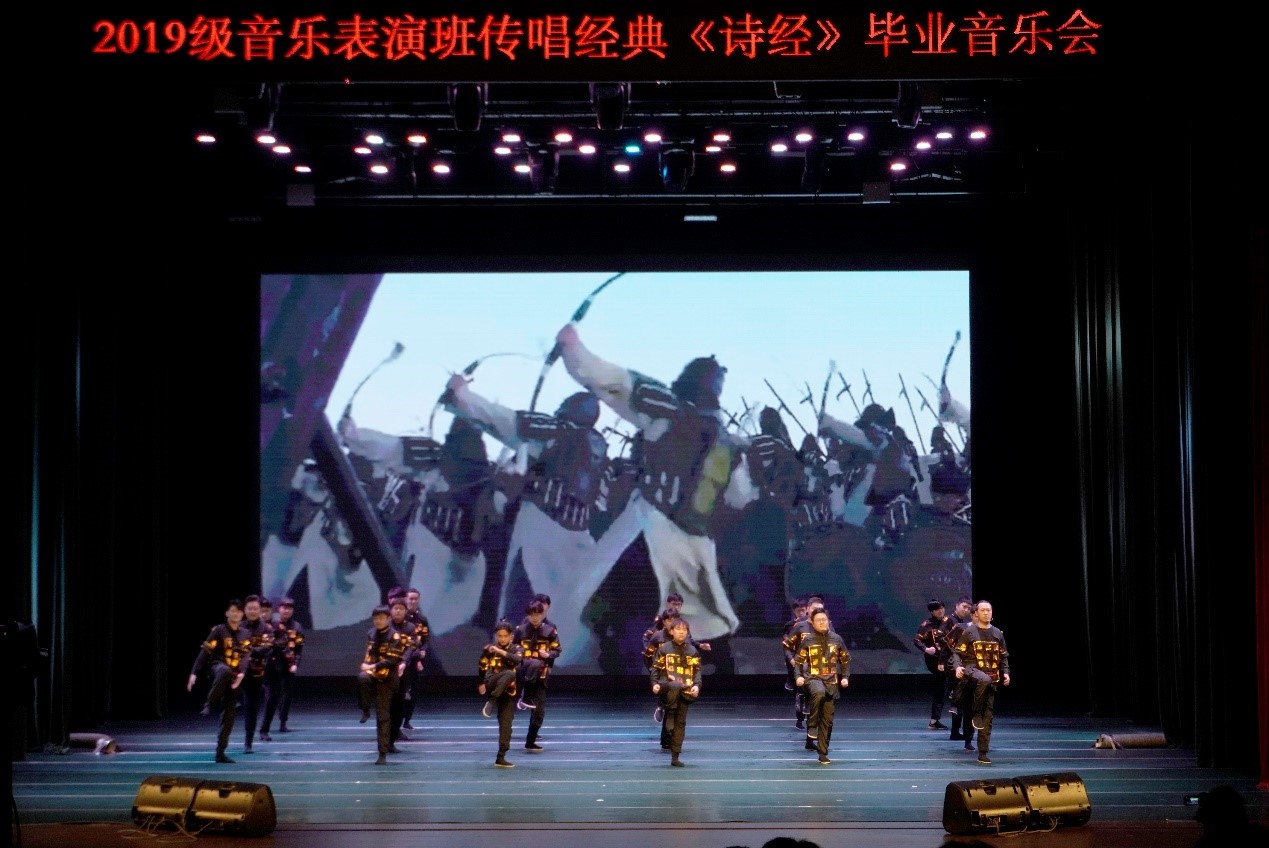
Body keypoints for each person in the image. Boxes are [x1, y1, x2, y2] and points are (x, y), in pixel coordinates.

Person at [556, 322, 757, 674]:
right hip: (694, 547)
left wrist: (572, 349)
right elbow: (741, 498)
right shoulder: (730, 444)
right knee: (700, 620)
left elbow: (615, 382)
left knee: (627, 613)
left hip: (649, 533)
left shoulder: (669, 409)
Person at [444, 374, 608, 667]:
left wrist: (462, 394)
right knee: (559, 607)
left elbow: (505, 421)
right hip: (580, 536)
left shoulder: (557, 430)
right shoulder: (599, 449)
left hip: (542, 529)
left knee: (523, 596)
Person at [187, 598, 250, 763]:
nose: (235, 614)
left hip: (234, 677)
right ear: (227, 613)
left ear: (242, 614)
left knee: (229, 716)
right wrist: (194, 673)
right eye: (232, 611)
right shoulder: (219, 630)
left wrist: (242, 674)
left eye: (238, 611)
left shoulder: (245, 634)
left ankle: (220, 751)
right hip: (217, 669)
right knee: (224, 670)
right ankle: (209, 703)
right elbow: (205, 651)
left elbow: (246, 656)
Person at [950, 600, 1010, 766]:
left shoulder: (997, 633)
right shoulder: (969, 632)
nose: (986, 613)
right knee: (983, 681)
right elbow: (957, 652)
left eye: (988, 610)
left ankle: (983, 752)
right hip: (972, 672)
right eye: (982, 610)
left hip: (991, 678)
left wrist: (1006, 673)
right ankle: (974, 717)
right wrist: (957, 667)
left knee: (987, 717)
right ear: (976, 613)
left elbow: (1003, 656)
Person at [794, 607, 850, 764]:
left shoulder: (836, 639)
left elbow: (845, 659)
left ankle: (823, 752)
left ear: (829, 621)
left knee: (827, 720)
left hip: (831, 682)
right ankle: (812, 726)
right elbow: (798, 661)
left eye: (824, 620)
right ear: (812, 623)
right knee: (818, 692)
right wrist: (798, 676)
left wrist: (845, 677)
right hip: (813, 678)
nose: (821, 623)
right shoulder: (808, 640)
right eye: (818, 620)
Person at [357, 604, 410, 765]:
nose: (378, 621)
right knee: (362, 678)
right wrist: (366, 664)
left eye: (381, 618)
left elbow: (392, 660)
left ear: (388, 619)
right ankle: (365, 709)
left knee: (383, 715)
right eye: (376, 618)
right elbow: (370, 653)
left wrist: (371, 666)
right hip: (374, 673)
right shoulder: (371, 633)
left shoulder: (395, 636)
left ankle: (383, 752)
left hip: (388, 678)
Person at [650, 617, 702, 767]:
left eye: (684, 630)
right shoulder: (664, 649)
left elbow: (697, 671)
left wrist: (697, 686)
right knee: (674, 685)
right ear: (671, 631)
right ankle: (670, 711)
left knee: (681, 722)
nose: (681, 632)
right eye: (678, 629)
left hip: (685, 689)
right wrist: (654, 683)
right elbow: (656, 668)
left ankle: (675, 756)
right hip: (667, 685)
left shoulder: (692, 651)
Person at [512, 600, 560, 752]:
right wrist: (519, 651)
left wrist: (548, 654)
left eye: (538, 614)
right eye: (532, 615)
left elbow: (557, 650)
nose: (535, 618)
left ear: (542, 614)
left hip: (540, 675)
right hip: (523, 669)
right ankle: (525, 696)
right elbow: (512, 646)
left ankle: (530, 741)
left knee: (539, 711)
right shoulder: (521, 630)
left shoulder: (550, 631)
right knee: (534, 662)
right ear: (528, 615)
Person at [477, 620, 524, 768]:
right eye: (499, 636)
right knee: (509, 673)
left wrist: (499, 651)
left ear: (511, 636)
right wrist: (481, 683)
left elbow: (517, 659)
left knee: (506, 725)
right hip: (492, 683)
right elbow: (482, 666)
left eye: (505, 636)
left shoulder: (517, 648)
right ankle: (491, 701)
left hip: (508, 691)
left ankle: (501, 757)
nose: (502, 639)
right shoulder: (489, 649)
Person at [262, 596, 304, 734]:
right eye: (284, 608)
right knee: (271, 695)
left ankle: (283, 721)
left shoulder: (297, 627)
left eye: (289, 608)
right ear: (279, 609)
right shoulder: (273, 624)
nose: (286, 611)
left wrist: (295, 663)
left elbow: (299, 649)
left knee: (287, 694)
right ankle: (265, 724)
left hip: (288, 664)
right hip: (273, 664)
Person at [238, 594, 275, 753]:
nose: (252, 611)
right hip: (237, 672)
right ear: (244, 610)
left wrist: (250, 650)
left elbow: (267, 647)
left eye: (255, 608)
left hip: (256, 674)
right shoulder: (239, 626)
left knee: (250, 708)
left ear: (260, 610)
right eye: (249, 608)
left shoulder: (266, 628)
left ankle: (248, 742)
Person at [942, 596, 975, 749]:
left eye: (969, 608)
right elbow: (945, 641)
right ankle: (957, 732)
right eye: (964, 607)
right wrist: (942, 661)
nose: (966, 610)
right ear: (957, 605)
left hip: (970, 668)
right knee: (958, 699)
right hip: (955, 665)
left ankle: (961, 733)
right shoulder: (954, 623)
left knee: (965, 702)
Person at [914, 600, 949, 730]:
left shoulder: (948, 622)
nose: (941, 611)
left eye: (942, 608)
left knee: (943, 688)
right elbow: (917, 640)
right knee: (941, 688)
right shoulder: (927, 625)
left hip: (949, 659)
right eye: (937, 609)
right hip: (935, 660)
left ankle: (935, 720)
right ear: (932, 612)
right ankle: (934, 720)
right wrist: (926, 649)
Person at [401, 587, 432, 728]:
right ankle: (397, 718)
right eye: (410, 598)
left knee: (414, 690)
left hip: (417, 661)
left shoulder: (422, 619)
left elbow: (425, 639)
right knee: (402, 691)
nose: (412, 601)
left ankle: (407, 720)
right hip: (403, 660)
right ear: (406, 599)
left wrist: (423, 651)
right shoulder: (401, 618)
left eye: (415, 599)